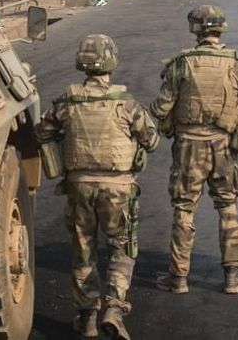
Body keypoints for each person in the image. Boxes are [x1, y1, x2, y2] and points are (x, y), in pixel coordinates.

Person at [35, 34, 158, 340]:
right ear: (112, 62)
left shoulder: (67, 102)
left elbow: (42, 130)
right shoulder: (127, 105)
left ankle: (87, 317)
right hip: (119, 188)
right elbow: (151, 140)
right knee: (121, 249)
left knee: (83, 250)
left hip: (79, 188)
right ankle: (114, 309)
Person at [150, 5, 238, 295]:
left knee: (184, 209)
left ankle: (179, 277)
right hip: (222, 146)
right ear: (221, 28)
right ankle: (233, 277)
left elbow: (161, 107)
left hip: (188, 148)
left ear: (195, 29)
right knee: (228, 206)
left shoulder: (182, 63)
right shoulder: (236, 64)